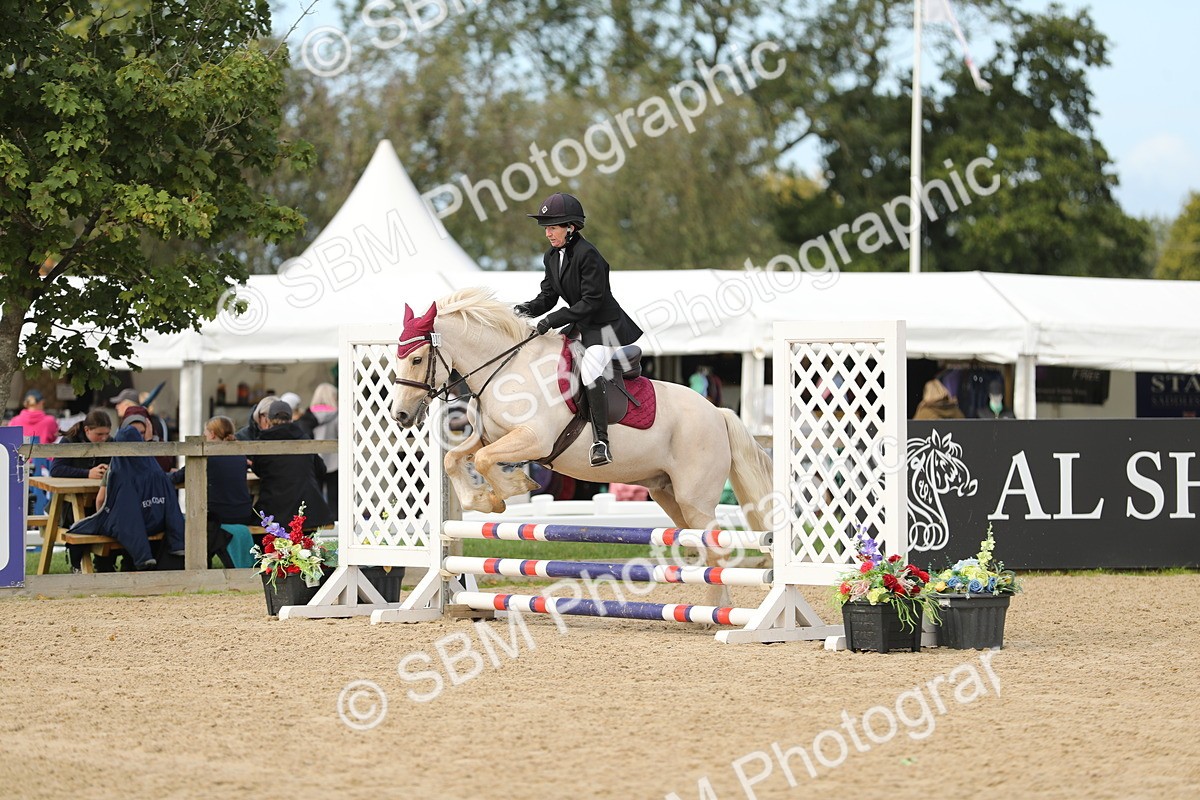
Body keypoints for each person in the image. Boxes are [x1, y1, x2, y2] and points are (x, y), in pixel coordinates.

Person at [514, 192, 643, 467]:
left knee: (590, 369)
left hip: (604, 325)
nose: (547, 233)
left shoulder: (589, 255)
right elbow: (547, 298)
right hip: (581, 322)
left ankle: (601, 442)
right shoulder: (551, 257)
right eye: (546, 227)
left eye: (553, 227)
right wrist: (518, 311)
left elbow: (592, 301)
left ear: (570, 227)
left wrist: (554, 319)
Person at [69, 423, 185, 571]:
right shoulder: (155, 469)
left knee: (88, 526)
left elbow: (100, 500)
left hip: (132, 527)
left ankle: (97, 565)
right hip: (157, 522)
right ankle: (172, 548)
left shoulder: (116, 471)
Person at [171, 416, 256, 568]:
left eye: (205, 432)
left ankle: (192, 564)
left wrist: (162, 475)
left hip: (220, 515)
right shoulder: (240, 455)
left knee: (186, 519)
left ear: (211, 434)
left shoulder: (207, 456)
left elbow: (177, 477)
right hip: (243, 513)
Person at [251, 400, 333, 532]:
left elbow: (258, 469)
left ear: (269, 419)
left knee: (256, 526)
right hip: (308, 513)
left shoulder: (263, 441)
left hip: (275, 511)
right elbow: (321, 469)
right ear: (291, 418)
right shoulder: (303, 438)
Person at [296, 383, 339, 517]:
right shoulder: (338, 414)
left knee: (315, 499)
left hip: (314, 460)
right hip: (335, 461)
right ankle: (336, 526)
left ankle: (317, 525)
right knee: (335, 500)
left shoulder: (308, 416)